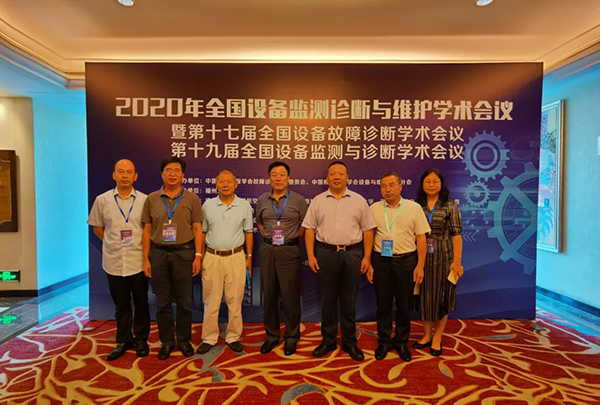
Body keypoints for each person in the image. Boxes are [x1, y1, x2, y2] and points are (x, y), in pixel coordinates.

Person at [301, 161, 377, 362]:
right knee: (328, 300)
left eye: (340, 173)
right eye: (333, 173)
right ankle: (328, 341)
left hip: (352, 254)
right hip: (326, 254)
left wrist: (367, 257)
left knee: (349, 301)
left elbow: (368, 230)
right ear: (327, 178)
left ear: (347, 177)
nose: (336, 177)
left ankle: (350, 342)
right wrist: (311, 255)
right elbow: (309, 229)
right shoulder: (318, 201)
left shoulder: (359, 201)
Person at [141, 156, 204, 360]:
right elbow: (147, 229)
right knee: (163, 301)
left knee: (184, 301)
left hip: (184, 254)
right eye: (168, 170)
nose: (172, 174)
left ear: (183, 175)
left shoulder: (192, 199)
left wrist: (198, 256)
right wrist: (146, 259)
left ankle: (184, 341)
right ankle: (167, 341)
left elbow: (198, 229)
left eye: (177, 170)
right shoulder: (152, 199)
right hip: (159, 254)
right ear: (162, 174)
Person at [88, 159, 150, 361]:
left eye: (129, 172)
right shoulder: (102, 200)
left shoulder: (144, 200)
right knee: (121, 305)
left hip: (138, 261)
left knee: (141, 303)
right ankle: (123, 340)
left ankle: (141, 339)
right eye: (120, 171)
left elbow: (148, 230)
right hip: (113, 261)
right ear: (114, 175)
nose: (125, 175)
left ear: (135, 176)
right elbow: (98, 228)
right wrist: (113, 243)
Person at [366, 172, 430, 362]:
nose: (388, 189)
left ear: (401, 186)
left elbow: (421, 238)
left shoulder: (414, 208)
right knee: (383, 303)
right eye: (384, 186)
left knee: (404, 304)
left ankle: (402, 342)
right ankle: (384, 341)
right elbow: (369, 235)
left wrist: (420, 265)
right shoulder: (374, 208)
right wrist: (368, 260)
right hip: (381, 261)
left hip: (406, 261)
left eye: (392, 185)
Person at [196, 169, 253, 355]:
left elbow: (248, 232)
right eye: (222, 181)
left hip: (236, 256)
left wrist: (249, 257)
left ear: (236, 184)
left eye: (229, 181)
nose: (225, 184)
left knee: (235, 299)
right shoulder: (208, 205)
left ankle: (233, 336)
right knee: (210, 300)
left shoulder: (244, 205)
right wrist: (200, 256)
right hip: (212, 256)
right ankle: (209, 337)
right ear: (216, 184)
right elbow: (203, 231)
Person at [256, 161, 308, 356]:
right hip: (268, 249)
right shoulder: (262, 199)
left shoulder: (298, 200)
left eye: (282, 174)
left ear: (289, 178)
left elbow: (305, 225)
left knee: (290, 296)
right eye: (274, 175)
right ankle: (271, 336)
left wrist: (291, 239)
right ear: (269, 179)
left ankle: (292, 337)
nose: (278, 178)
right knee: (269, 294)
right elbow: (260, 224)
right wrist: (270, 238)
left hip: (289, 250)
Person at [413, 169, 463, 356]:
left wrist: (457, 262)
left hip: (444, 258)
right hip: (421, 259)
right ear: (422, 184)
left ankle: (437, 337)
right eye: (427, 181)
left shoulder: (450, 206)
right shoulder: (416, 206)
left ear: (441, 184)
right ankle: (426, 335)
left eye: (435, 181)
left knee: (442, 298)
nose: (431, 185)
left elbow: (457, 236)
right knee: (425, 298)